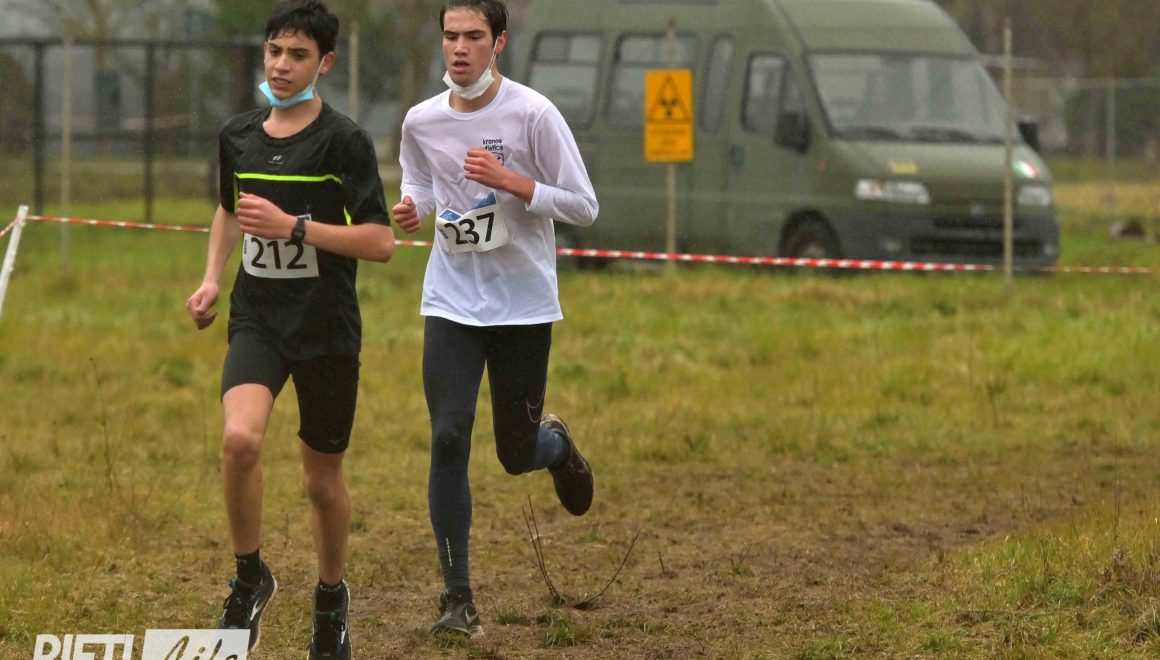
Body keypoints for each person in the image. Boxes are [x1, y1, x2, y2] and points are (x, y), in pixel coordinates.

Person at [185, 1, 394, 657]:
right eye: (274, 51)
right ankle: (250, 578)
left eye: (297, 54)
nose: (281, 65)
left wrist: (296, 228)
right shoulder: (239, 135)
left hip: (326, 327)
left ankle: (331, 600)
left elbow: (380, 242)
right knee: (239, 439)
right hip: (259, 319)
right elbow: (229, 211)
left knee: (320, 482)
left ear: (324, 63)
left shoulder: (344, 141)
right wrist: (212, 278)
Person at [391, 0, 599, 638]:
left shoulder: (533, 113)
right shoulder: (421, 120)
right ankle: (457, 598)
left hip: (523, 305)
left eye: (474, 36)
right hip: (451, 301)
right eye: (451, 36)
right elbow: (421, 184)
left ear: (499, 41)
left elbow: (584, 206)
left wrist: (513, 182)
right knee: (449, 437)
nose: (459, 48)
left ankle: (555, 447)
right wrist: (412, 208)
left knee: (514, 452)